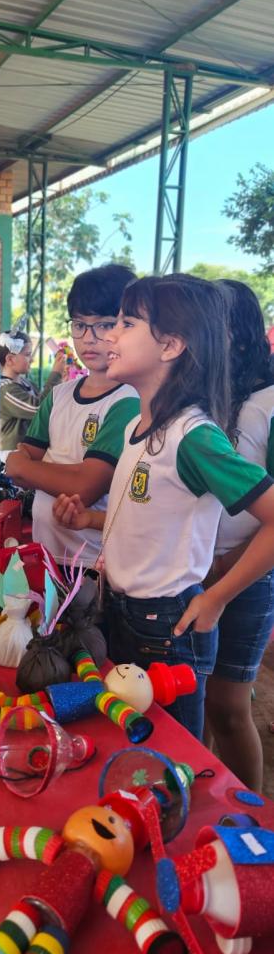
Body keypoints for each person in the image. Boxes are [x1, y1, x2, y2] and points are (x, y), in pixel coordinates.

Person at [53, 275, 274, 742]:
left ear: (170, 345)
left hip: (169, 630)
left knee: (172, 753)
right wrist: (91, 521)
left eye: (126, 323)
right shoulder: (139, 424)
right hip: (126, 611)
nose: (110, 335)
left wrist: (216, 597)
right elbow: (149, 512)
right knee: (132, 740)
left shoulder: (193, 436)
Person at [6, 265, 139, 567]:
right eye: (79, 325)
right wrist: (26, 464)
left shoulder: (129, 401)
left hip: (94, 562)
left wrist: (22, 468)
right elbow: (29, 451)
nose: (88, 338)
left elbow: (85, 486)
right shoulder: (60, 395)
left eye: (104, 325)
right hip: (47, 555)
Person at [204, 280, 274, 790]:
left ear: (241, 336)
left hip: (247, 573)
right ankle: (204, 795)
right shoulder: (205, 396)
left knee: (229, 705)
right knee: (199, 696)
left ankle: (251, 814)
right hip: (196, 570)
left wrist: (224, 571)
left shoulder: (268, 404)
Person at [0, 329, 65, 461]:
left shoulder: (26, 383)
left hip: (28, 452)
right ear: (10, 359)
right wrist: (55, 374)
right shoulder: (5, 389)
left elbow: (48, 405)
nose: (32, 359)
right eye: (28, 354)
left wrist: (62, 382)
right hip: (13, 455)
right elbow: (39, 409)